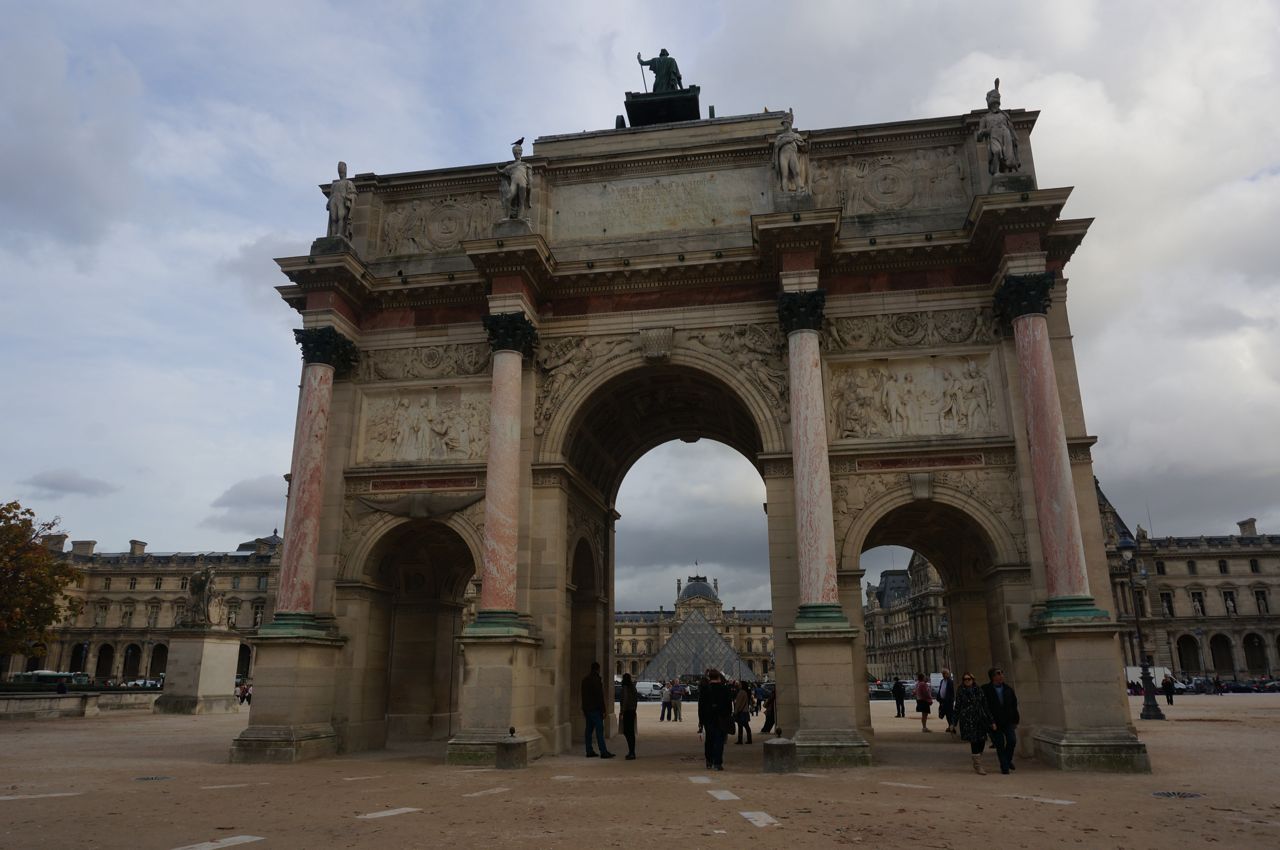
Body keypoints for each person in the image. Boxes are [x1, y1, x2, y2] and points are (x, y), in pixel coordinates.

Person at [955, 671, 995, 775]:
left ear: (973, 680)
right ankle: (978, 765)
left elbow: (985, 706)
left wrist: (991, 721)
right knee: (974, 741)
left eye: (969, 679)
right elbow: (957, 707)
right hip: (968, 720)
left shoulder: (979, 690)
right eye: (965, 679)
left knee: (982, 740)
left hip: (980, 719)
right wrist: (953, 722)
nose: (967, 681)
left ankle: (977, 759)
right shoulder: (961, 691)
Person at [981, 667, 1020, 774]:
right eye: (998, 673)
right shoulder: (985, 689)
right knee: (1000, 744)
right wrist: (990, 722)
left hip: (1008, 721)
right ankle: (1004, 767)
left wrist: (1015, 720)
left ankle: (1007, 760)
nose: (1001, 675)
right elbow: (984, 707)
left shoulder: (1008, 689)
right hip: (994, 722)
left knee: (1012, 741)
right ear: (993, 677)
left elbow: (1014, 705)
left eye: (1002, 673)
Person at [699, 668, 734, 771]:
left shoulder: (705, 689)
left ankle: (709, 761)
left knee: (709, 740)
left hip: (708, 718)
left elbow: (701, 706)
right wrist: (727, 715)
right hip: (721, 717)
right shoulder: (725, 689)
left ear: (709, 677)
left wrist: (701, 721)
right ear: (719, 677)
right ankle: (717, 763)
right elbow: (729, 705)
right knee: (719, 741)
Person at [580, 661, 615, 758]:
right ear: (598, 669)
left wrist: (584, 708)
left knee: (588, 731)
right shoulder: (596, 680)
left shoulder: (585, 680)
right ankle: (603, 751)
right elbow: (599, 696)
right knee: (599, 730)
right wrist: (603, 710)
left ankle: (589, 750)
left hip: (587, 708)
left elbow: (583, 695)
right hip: (595, 709)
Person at [326, 161, 357, 240]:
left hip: (342, 200)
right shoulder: (334, 184)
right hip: (334, 200)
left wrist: (348, 197)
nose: (340, 170)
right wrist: (328, 202)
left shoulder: (349, 183)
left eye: (342, 168)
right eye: (339, 168)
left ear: (345, 170)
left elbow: (353, 194)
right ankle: (333, 235)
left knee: (341, 217)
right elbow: (331, 195)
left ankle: (340, 234)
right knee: (333, 219)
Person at [619, 673, 639, 760]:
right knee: (631, 732)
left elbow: (625, 699)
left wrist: (622, 711)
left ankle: (631, 752)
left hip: (627, 711)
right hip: (632, 711)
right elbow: (636, 700)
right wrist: (634, 709)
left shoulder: (625, 688)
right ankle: (632, 751)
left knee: (627, 732)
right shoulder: (633, 687)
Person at [937, 668, 956, 734]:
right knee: (946, 715)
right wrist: (938, 697)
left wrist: (951, 699)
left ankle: (952, 727)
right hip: (942, 701)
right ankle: (950, 726)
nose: (943, 675)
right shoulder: (942, 681)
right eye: (943, 673)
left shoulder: (950, 682)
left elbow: (952, 692)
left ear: (948, 674)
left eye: (945, 673)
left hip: (948, 701)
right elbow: (940, 689)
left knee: (950, 714)